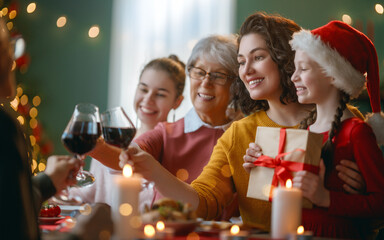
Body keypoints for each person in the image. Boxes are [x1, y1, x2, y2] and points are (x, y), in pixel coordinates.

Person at [118, 12, 367, 231]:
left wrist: (351, 193)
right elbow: (203, 202)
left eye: (258, 57)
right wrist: (153, 170)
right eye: (240, 62)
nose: (246, 70)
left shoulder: (341, 118)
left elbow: (374, 213)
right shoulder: (239, 134)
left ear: (285, 57)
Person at [91, 35, 242, 218]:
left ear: (236, 85)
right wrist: (94, 147)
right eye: (199, 72)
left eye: (218, 76)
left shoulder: (244, 135)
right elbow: (128, 155)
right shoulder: (167, 132)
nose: (205, 83)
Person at [0, 19, 113, 240]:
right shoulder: (3, 127)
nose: (13, 57)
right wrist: (83, 233)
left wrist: (48, 181)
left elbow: (7, 209)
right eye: (7, 49)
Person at [289, 20, 384, 238]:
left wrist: (326, 198)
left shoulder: (356, 132)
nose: (294, 77)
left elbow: (381, 202)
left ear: (333, 74)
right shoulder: (303, 130)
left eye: (303, 69)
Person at [69, 55, 186, 206]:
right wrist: (54, 192)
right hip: (104, 228)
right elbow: (89, 194)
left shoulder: (178, 150)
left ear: (177, 101)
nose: (148, 99)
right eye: (143, 89)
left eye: (160, 94)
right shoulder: (107, 142)